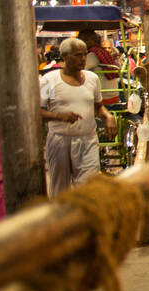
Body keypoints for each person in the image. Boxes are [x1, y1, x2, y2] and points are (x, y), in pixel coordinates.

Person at [40, 38, 115, 196]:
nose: (83, 59)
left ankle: (86, 220)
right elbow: (37, 112)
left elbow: (98, 107)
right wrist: (59, 116)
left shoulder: (92, 79)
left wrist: (108, 116)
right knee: (60, 191)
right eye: (78, 55)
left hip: (87, 139)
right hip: (60, 141)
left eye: (84, 55)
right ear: (65, 57)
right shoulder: (49, 80)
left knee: (89, 189)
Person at [78, 29, 121, 108]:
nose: (82, 43)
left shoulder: (93, 54)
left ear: (93, 40)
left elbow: (77, 69)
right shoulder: (101, 52)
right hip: (113, 93)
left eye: (85, 40)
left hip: (103, 96)